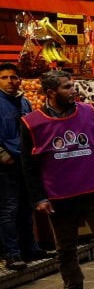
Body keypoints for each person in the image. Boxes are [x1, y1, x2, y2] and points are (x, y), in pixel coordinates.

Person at [20, 70, 94, 289]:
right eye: (67, 87)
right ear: (51, 92)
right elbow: (28, 165)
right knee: (66, 248)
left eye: (72, 85)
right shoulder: (31, 123)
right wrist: (39, 197)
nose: (73, 90)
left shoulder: (89, 112)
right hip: (59, 198)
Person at [0, 62, 46, 271]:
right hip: (6, 165)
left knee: (26, 208)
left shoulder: (24, 102)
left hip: (25, 162)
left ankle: (30, 248)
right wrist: (2, 155)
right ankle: (12, 253)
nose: (11, 81)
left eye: (13, 77)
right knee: (9, 209)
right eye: (5, 78)